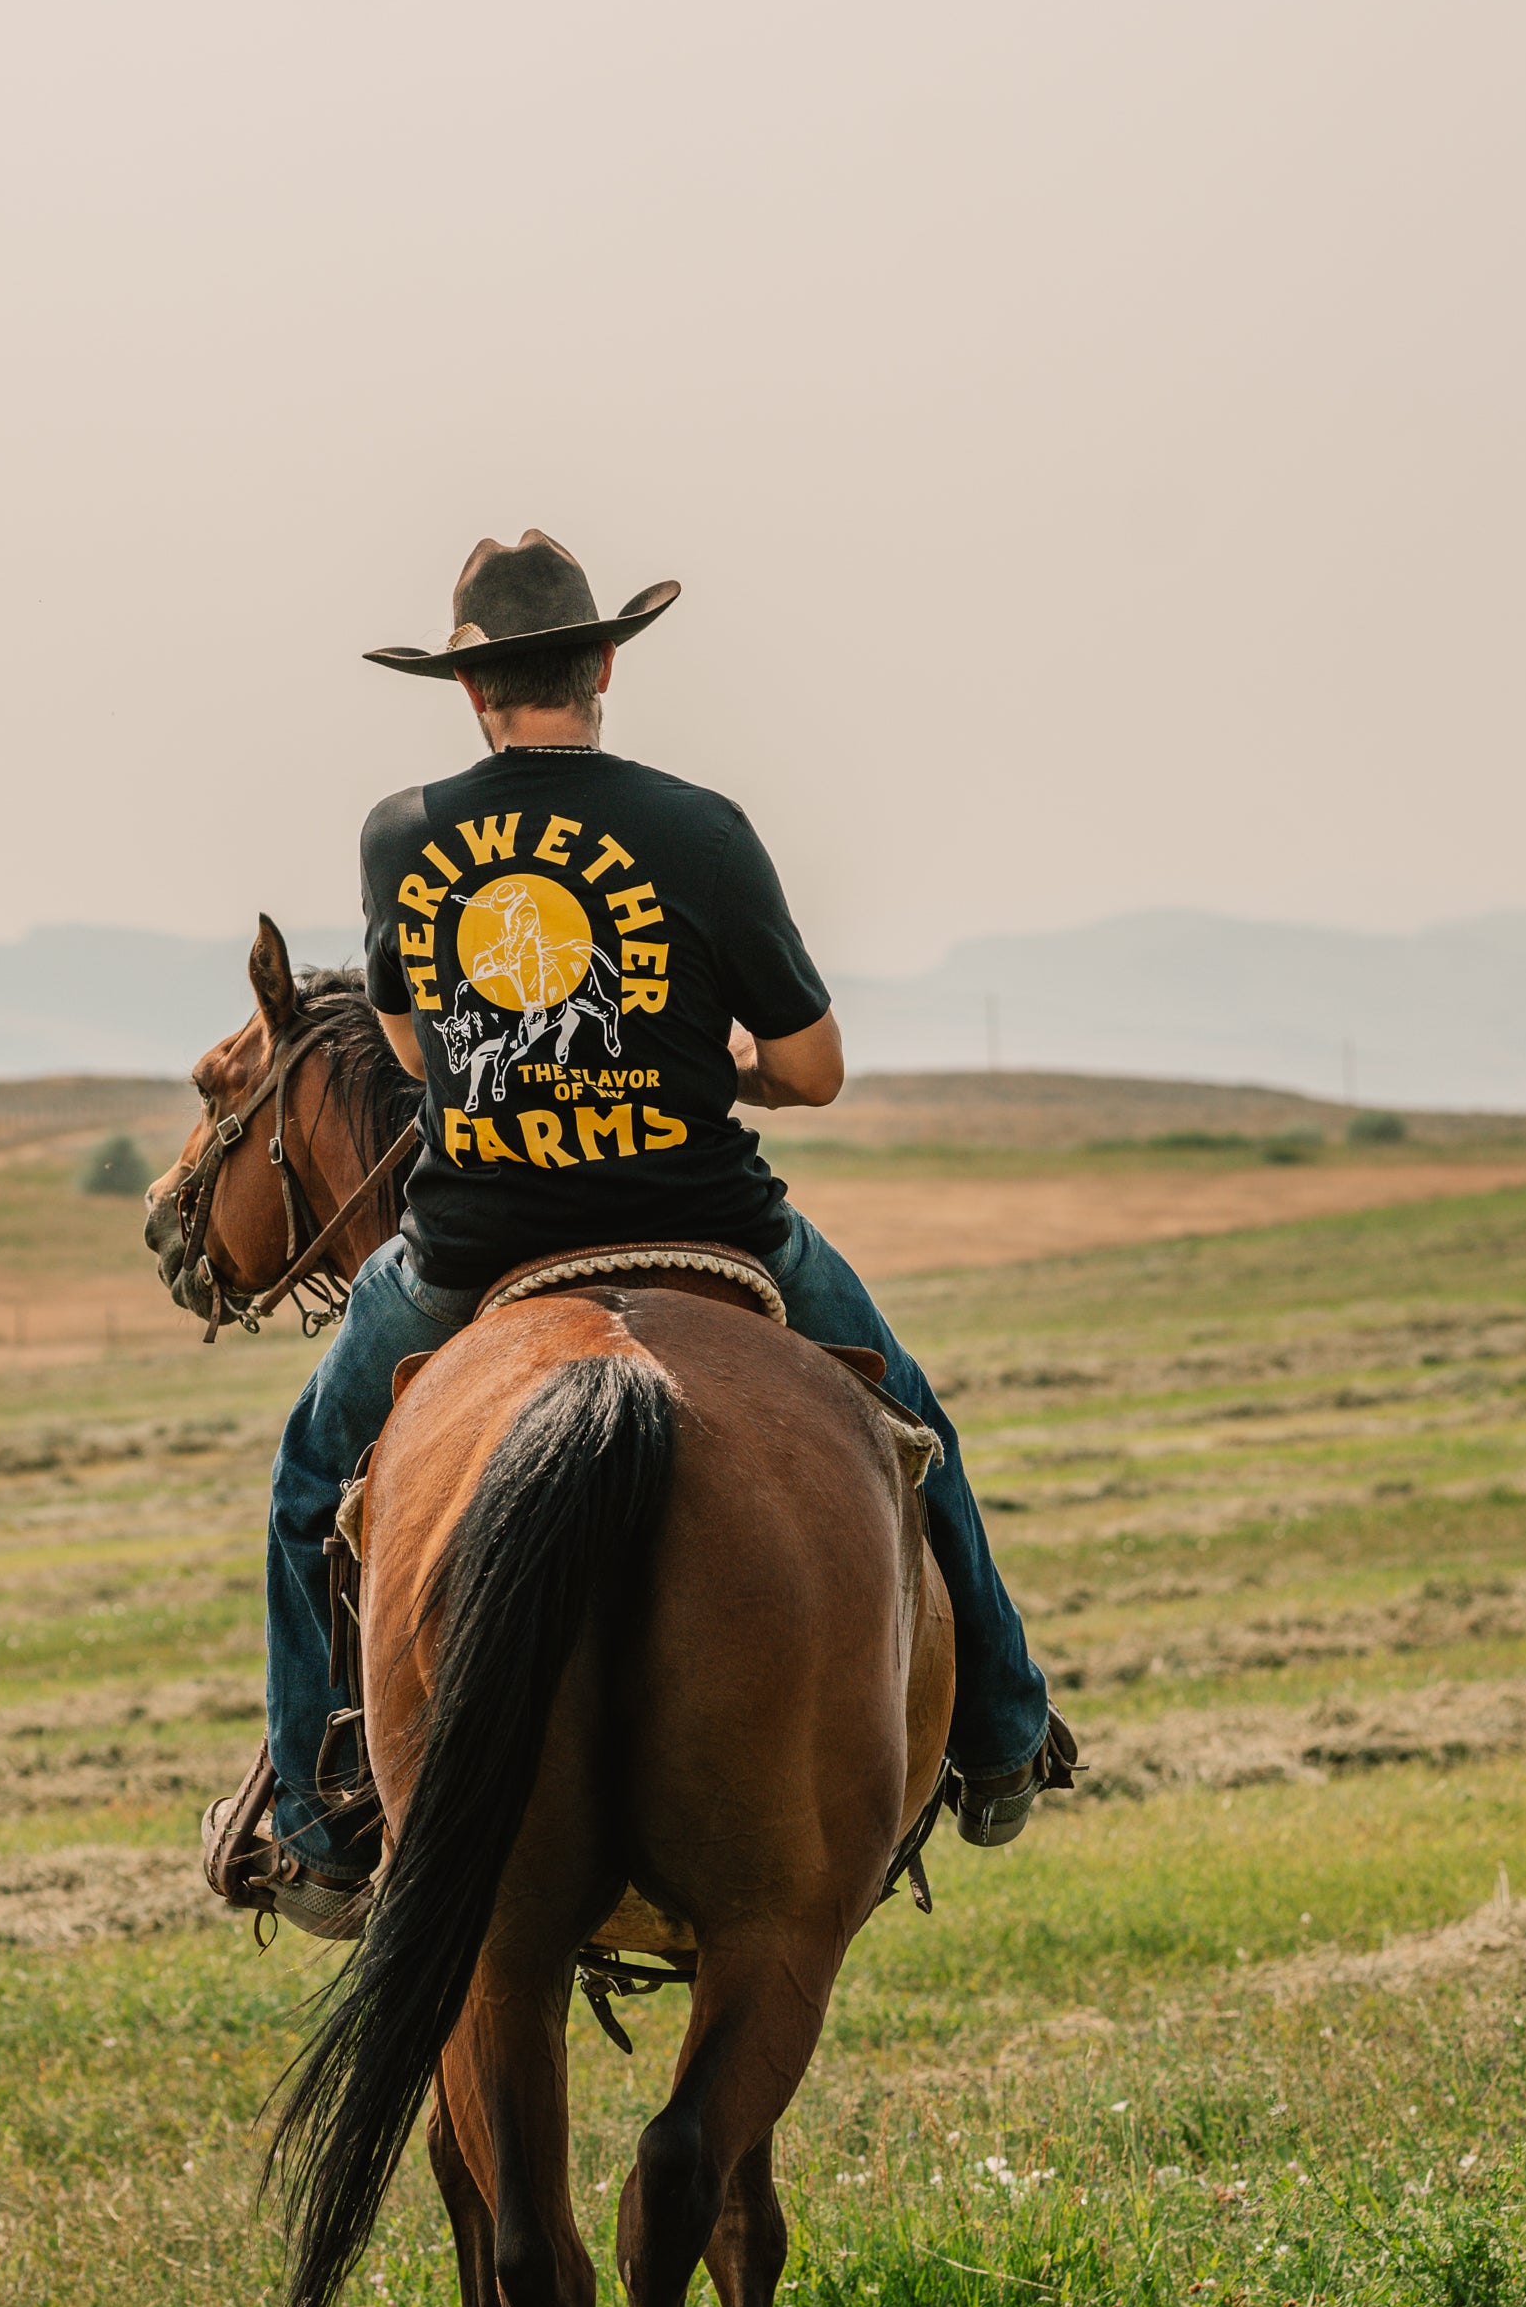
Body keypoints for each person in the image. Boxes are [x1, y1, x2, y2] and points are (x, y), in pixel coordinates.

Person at [212, 531, 1072, 1934]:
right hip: (710, 1227)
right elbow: (814, 1071)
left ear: (468, 689)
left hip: (476, 1252)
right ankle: (1001, 1734)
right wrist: (701, 1067)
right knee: (915, 1429)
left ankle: (310, 1827)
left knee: (313, 1480)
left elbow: (413, 1045)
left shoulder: (401, 832)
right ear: (605, 663)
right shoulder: (704, 828)